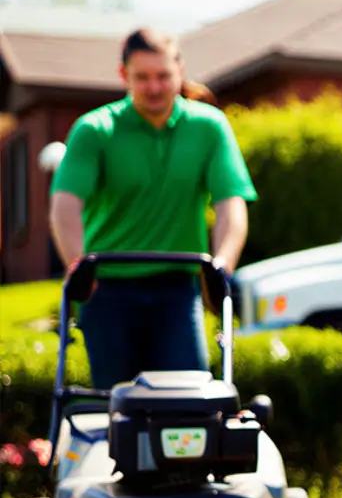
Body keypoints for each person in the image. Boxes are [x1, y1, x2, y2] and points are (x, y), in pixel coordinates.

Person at [49, 28, 257, 389]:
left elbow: (230, 205)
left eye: (163, 76)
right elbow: (65, 206)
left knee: (188, 401)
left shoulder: (208, 127)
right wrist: (79, 266)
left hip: (178, 287)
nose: (155, 87)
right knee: (117, 406)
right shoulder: (95, 130)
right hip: (107, 288)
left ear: (179, 71)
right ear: (123, 76)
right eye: (142, 77)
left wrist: (221, 265)